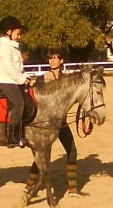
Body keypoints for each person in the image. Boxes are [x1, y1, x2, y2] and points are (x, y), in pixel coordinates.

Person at [25, 49, 84, 197]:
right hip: (45, 125)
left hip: (61, 123)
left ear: (61, 60)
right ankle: (28, 186)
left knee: (72, 151)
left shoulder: (67, 79)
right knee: (41, 156)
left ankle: (72, 189)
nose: (52, 61)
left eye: (55, 58)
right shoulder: (43, 78)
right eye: (50, 58)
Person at [0, 15, 31, 148]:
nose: (19, 36)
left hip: (13, 80)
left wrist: (25, 77)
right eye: (18, 33)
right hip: (6, 81)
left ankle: (23, 131)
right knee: (19, 103)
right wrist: (22, 79)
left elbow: (18, 67)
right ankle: (12, 137)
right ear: (9, 32)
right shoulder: (4, 48)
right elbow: (9, 69)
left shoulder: (12, 47)